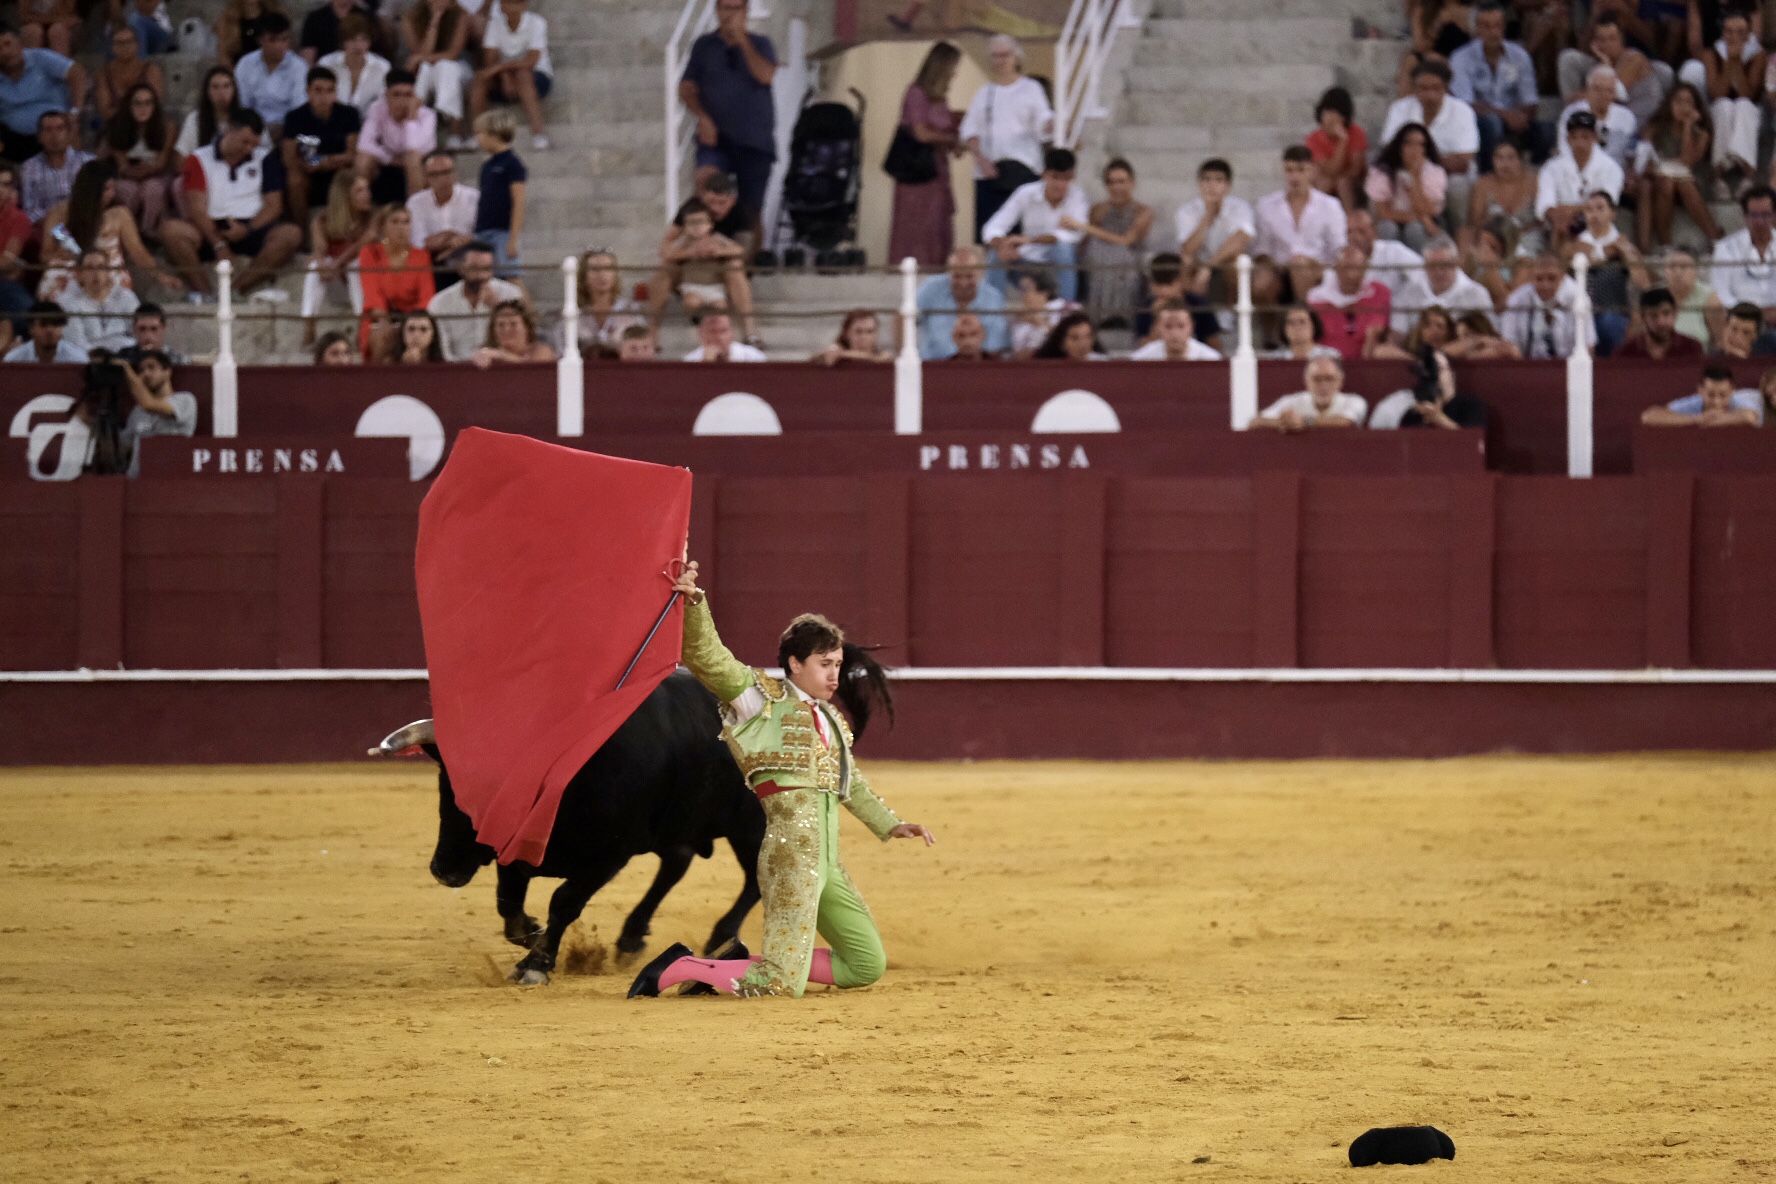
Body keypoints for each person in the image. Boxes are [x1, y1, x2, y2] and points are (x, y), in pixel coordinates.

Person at [627, 559, 935, 1000]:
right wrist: (695, 604)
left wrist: (890, 823)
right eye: (824, 663)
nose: (834, 674)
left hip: (827, 862)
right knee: (780, 984)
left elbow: (853, 784)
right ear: (794, 663)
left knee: (866, 962)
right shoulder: (760, 703)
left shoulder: (830, 718)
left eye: (838, 664)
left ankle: (732, 964)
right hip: (790, 858)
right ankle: (678, 968)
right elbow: (709, 658)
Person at [161, 110, 303, 300]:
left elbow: (274, 205)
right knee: (171, 231)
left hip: (252, 227)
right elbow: (196, 207)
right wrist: (218, 244)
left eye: (254, 144)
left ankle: (236, 290)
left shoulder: (265, 158)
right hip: (211, 227)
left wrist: (247, 229)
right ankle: (205, 293)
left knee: (291, 234)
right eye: (245, 142)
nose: (249, 149)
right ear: (229, 130)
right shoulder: (199, 158)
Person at [679, 0, 776, 235]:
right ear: (717, 11)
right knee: (706, 189)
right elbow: (686, 88)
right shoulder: (704, 46)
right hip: (716, 138)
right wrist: (702, 117)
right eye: (725, 8)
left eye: (735, 8)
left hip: (754, 139)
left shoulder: (761, 44)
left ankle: (746, 266)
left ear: (745, 11)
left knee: (751, 210)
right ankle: (703, 251)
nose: (729, 14)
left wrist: (742, 39)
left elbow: (766, 76)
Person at [958, 33, 1052, 238]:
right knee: (992, 236)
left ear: (1016, 57)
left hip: (1024, 171)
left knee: (1024, 236)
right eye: (995, 56)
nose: (1000, 61)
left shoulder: (1031, 89)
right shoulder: (984, 93)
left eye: (1005, 55)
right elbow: (969, 130)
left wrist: (1054, 125)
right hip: (990, 173)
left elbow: (1044, 124)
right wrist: (981, 159)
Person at [1251, 145, 1348, 320]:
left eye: (1301, 170)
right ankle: (1270, 336)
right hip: (1280, 268)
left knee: (1300, 266)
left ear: (1312, 171)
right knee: (1261, 281)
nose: (1294, 176)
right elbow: (1262, 249)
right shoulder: (1266, 205)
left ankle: (1307, 324)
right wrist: (1274, 266)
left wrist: (1312, 264)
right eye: (1289, 170)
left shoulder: (1330, 206)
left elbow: (1338, 249)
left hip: (1317, 268)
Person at [887, 41, 960, 268]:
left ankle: (937, 269)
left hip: (938, 169)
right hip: (917, 171)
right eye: (953, 67)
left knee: (937, 224)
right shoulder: (916, 93)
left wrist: (952, 143)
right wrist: (951, 139)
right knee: (916, 225)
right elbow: (921, 133)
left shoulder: (940, 99)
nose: (955, 73)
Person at [1381, 60, 1479, 229]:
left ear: (1446, 87)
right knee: (1381, 173)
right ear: (1414, 88)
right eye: (1423, 88)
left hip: (1450, 175)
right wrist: (1421, 166)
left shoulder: (1463, 111)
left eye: (1436, 88)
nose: (1429, 95)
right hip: (1405, 173)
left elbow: (1463, 161)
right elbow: (1388, 151)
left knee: (1458, 185)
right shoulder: (1399, 109)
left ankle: (1458, 232)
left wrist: (1420, 163)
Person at [982, 147, 1088, 302]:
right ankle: (993, 312)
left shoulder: (1078, 197)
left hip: (1055, 266)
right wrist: (1001, 244)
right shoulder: (1025, 193)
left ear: (1073, 177)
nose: (1060, 184)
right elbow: (994, 226)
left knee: (1063, 249)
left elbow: (1073, 236)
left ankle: (1065, 311)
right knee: (996, 254)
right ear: (1044, 174)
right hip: (1025, 261)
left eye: (1066, 179)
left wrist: (1029, 240)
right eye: (1055, 177)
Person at [1449, 1, 1544, 170]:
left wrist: (1521, 116)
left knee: (1547, 131)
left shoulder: (1519, 56)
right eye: (1486, 26)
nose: (1493, 32)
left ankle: (1533, 180)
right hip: (1478, 124)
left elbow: (1530, 100)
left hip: (1513, 121)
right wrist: (1505, 115)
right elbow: (1465, 104)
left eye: (1497, 26)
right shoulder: (1460, 58)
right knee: (1492, 123)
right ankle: (1488, 174)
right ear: (1476, 29)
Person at [646, 197, 756, 340]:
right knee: (687, 298)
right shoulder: (684, 242)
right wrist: (690, 252)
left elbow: (739, 250)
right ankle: (653, 332)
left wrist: (717, 251)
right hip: (692, 286)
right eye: (692, 224)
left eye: (701, 223)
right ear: (684, 227)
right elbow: (666, 253)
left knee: (730, 278)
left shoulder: (717, 238)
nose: (697, 227)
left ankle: (749, 332)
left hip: (715, 285)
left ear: (710, 225)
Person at [281, 65, 361, 236]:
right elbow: (289, 157)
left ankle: (350, 230)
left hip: (338, 169)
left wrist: (322, 162)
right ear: (308, 91)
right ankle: (302, 233)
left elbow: (352, 154)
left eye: (329, 90)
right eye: (318, 90)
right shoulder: (294, 117)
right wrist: (310, 164)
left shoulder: (349, 114)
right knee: (294, 179)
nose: (324, 96)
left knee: (355, 172)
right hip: (307, 172)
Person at [1636, 82, 1718, 247]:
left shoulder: (1701, 134)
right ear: (1670, 103)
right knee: (1667, 182)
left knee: (1683, 182)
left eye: (1689, 103)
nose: (1683, 107)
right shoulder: (1655, 128)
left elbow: (1688, 161)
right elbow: (1644, 156)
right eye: (1679, 101)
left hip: (1691, 181)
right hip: (1660, 180)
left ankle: (1714, 237)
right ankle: (1666, 243)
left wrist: (1688, 127)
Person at [1567, 188, 1649, 352]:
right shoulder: (1574, 245)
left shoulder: (1625, 246)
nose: (1594, 214)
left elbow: (1643, 284)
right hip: (1579, 314)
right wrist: (1609, 251)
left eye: (1600, 208)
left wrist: (1626, 253)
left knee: (1610, 322)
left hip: (1613, 313)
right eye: (1589, 209)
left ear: (1612, 213)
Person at [1078, 158, 1153, 329]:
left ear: (1132, 183)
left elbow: (1127, 240)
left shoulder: (1143, 211)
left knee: (1120, 258)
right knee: (1102, 254)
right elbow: (1089, 241)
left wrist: (1086, 227)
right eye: (1111, 182)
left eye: (1121, 182)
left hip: (1131, 254)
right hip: (1100, 256)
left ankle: (1120, 317)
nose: (1116, 187)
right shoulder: (1098, 209)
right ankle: (1104, 317)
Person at [0, 24, 87, 167]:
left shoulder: (40, 58)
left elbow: (77, 73)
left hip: (52, 127)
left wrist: (75, 112)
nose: (5, 52)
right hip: (13, 137)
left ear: (20, 43)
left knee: (65, 130)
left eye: (8, 44)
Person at [1534, 111, 1624, 250]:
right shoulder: (1551, 168)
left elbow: (1607, 203)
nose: (1580, 143)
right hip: (1560, 229)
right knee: (1560, 225)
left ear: (1594, 137)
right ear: (1568, 139)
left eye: (1585, 137)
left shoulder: (1612, 168)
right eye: (1575, 137)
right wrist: (1561, 217)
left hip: (1597, 228)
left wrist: (1572, 210)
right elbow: (1545, 206)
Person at [300, 170, 375, 337]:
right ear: (344, 195)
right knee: (314, 266)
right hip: (335, 282)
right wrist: (322, 264)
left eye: (367, 189)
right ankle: (309, 327)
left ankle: (363, 327)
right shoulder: (322, 220)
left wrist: (338, 263)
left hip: (364, 287)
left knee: (356, 263)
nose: (367, 195)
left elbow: (360, 247)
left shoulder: (372, 219)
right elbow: (319, 250)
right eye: (359, 191)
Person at [471, 0, 552, 150]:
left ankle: (538, 133)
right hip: (503, 77)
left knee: (523, 75)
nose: (512, 8)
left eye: (516, 3)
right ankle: (479, 134)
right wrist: (505, 75)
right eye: (507, 3)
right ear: (501, 5)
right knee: (480, 79)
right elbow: (489, 59)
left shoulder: (537, 23)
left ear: (524, 5)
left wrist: (502, 67)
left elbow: (531, 60)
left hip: (536, 78)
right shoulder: (495, 24)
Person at [97, 84, 176, 236]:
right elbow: (122, 167)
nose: (143, 108)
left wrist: (144, 170)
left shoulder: (167, 127)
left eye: (148, 103)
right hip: (126, 177)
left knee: (152, 188)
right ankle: (127, 232)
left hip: (157, 176)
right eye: (138, 103)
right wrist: (142, 170)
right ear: (129, 106)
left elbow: (161, 163)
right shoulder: (117, 127)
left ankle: (147, 230)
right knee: (130, 190)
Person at [357, 202, 433, 358]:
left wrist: (407, 324)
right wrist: (384, 321)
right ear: (383, 226)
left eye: (406, 222)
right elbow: (372, 292)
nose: (401, 227)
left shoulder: (421, 256)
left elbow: (427, 295)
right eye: (395, 222)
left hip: (412, 318)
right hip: (379, 317)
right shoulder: (370, 253)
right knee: (381, 337)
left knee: (417, 335)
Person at [426, 239, 521, 360]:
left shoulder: (510, 294)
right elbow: (442, 351)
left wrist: (498, 308)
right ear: (461, 268)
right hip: (456, 371)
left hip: (500, 366)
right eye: (474, 268)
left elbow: (522, 341)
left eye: (486, 269)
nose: (481, 275)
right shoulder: (440, 303)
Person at [1701, 8, 1763, 189]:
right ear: (1723, 33)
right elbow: (1716, 92)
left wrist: (1737, 62)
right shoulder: (1711, 53)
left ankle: (1747, 171)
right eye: (1729, 31)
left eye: (1740, 32)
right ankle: (1719, 169)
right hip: (1719, 106)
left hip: (1749, 109)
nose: (1734, 36)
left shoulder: (1757, 55)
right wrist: (1729, 62)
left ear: (1748, 34)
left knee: (1743, 105)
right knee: (1724, 105)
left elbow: (1748, 93)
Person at [1389, 235, 1494, 339]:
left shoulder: (1476, 294)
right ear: (1425, 266)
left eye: (1444, 265)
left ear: (1456, 263)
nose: (1439, 272)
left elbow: (1489, 337)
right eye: (1433, 266)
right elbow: (1397, 333)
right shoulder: (1409, 291)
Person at [355, 67, 435, 205]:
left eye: (408, 95)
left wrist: (410, 118)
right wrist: (389, 158)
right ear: (386, 95)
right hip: (389, 158)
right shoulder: (377, 108)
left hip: (420, 162)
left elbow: (413, 147)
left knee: (412, 158)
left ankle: (414, 214)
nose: (402, 100)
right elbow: (363, 144)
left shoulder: (427, 115)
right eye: (397, 95)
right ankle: (362, 210)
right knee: (363, 159)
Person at [915, 244, 1009, 359]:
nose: (963, 283)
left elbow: (995, 348)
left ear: (980, 273)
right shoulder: (930, 288)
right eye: (957, 276)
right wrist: (901, 354)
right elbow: (902, 317)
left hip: (978, 368)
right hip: (933, 366)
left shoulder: (993, 298)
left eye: (969, 276)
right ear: (948, 273)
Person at [1367, 122, 1449, 251]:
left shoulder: (1434, 172)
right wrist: (1417, 217)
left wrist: (1415, 178)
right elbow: (1382, 212)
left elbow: (1430, 210)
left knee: (1414, 229)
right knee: (1387, 228)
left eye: (1420, 145)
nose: (1414, 149)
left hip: (1425, 223)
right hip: (1392, 219)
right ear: (1399, 146)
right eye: (1409, 143)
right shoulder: (1383, 171)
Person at [1711, 186, 1776, 340]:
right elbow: (1721, 293)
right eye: (1754, 215)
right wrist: (1752, 315)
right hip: (1740, 321)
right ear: (1744, 216)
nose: (1760, 222)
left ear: (1774, 215)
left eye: (1765, 215)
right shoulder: (1725, 248)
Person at [116, 350, 195, 475]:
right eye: (141, 370)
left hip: (167, 480)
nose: (146, 373)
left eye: (151, 367)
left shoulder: (185, 400)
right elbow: (123, 447)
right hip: (137, 482)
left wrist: (126, 369)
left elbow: (150, 405)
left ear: (167, 371)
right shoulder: (137, 411)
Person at [1308, 245, 1393, 360]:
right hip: (1326, 361)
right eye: (1347, 267)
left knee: (1383, 351)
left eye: (1356, 266)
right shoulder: (1316, 298)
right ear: (1336, 268)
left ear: (1366, 268)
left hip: (1369, 360)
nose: (1351, 272)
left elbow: (1378, 329)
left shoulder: (1379, 292)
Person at [403, 0, 470, 146]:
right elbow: (421, 53)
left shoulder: (461, 15)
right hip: (425, 69)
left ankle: (454, 131)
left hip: (457, 67)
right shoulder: (411, 17)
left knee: (446, 67)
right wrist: (434, 21)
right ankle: (424, 128)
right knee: (427, 69)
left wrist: (422, 58)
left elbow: (453, 53)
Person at [1499, 252, 1590, 358]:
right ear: (1531, 277)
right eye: (1539, 279)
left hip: (1569, 366)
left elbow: (1588, 345)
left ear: (1562, 276)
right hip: (1528, 366)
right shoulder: (1517, 300)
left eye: (1551, 278)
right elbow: (1507, 343)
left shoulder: (1578, 299)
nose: (1545, 285)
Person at [1459, 139, 1539, 257]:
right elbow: (1474, 222)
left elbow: (1542, 220)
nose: (1504, 164)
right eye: (1499, 158)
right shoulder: (1483, 184)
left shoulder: (1534, 182)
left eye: (1511, 158)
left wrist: (1516, 233)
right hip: (1492, 240)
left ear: (1520, 159)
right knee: (1465, 234)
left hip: (1527, 238)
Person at [406, 149, 476, 280]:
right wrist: (451, 237)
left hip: (468, 261)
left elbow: (479, 237)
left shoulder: (474, 198)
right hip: (431, 263)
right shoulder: (415, 202)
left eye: (446, 172)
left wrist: (445, 244)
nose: (441, 179)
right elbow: (418, 243)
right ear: (426, 177)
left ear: (455, 173)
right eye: (434, 174)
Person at [470, 107, 523, 280]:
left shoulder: (512, 164)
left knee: (511, 277)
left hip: (502, 231)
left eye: (480, 133)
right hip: (483, 229)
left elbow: (518, 202)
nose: (478, 139)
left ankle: (528, 308)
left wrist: (512, 239)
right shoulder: (487, 166)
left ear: (494, 134)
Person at [1555, 65, 1639, 173]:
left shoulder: (1627, 118)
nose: (1603, 95)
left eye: (1609, 90)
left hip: (1617, 175)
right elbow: (1564, 152)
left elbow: (1632, 154)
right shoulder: (1571, 114)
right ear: (1588, 90)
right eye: (1597, 89)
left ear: (1614, 94)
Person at [1248, 355, 1367, 430]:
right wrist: (1283, 423)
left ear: (1340, 381)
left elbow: (1345, 422)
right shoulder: (1292, 401)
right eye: (1317, 379)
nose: (1323, 385)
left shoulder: (1354, 401)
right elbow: (1255, 422)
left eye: (1329, 379)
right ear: (1306, 381)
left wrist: (1304, 422)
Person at [234, 12, 306, 134]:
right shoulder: (246, 64)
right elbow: (242, 104)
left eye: (284, 39)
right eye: (273, 40)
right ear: (260, 40)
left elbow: (299, 108)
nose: (279, 46)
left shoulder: (298, 67)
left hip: (287, 131)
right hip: (252, 130)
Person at [561, 247, 642, 357]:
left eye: (608, 269)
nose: (602, 274)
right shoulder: (574, 312)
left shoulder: (630, 310)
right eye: (595, 269)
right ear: (584, 276)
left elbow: (642, 346)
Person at [58, 247, 138, 354]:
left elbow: (138, 334)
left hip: (125, 356)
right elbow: (75, 342)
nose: (96, 273)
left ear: (109, 271)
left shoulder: (126, 297)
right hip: (87, 360)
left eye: (101, 267)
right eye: (90, 268)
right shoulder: (67, 302)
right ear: (79, 274)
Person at [20, 109, 92, 225]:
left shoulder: (88, 162)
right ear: (39, 137)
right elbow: (30, 211)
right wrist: (56, 219)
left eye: (60, 129)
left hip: (85, 223)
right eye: (48, 130)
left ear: (69, 134)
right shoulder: (29, 167)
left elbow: (97, 200)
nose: (54, 136)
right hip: (49, 227)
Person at [1641, 363, 1762, 425]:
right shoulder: (1694, 402)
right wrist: (1696, 419)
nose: (1716, 401)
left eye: (1723, 395)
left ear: (1732, 391)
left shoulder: (1740, 400)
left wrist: (1712, 420)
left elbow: (1749, 417)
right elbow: (1649, 416)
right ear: (1700, 390)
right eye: (1711, 395)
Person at [1306, 86, 1368, 208]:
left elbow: (1356, 170)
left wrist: (1343, 140)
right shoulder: (1313, 139)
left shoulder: (1357, 133)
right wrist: (1342, 143)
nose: (1330, 119)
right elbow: (1329, 170)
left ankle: (1350, 221)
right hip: (1327, 181)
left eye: (1336, 113)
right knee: (1322, 182)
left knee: (1343, 183)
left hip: (1353, 185)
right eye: (1327, 112)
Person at [94, 23, 165, 127]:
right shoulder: (104, 74)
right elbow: (105, 110)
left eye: (129, 42)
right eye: (120, 43)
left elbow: (155, 105)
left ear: (137, 44)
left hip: (147, 125)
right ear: (113, 47)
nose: (125, 46)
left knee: (169, 127)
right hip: (117, 126)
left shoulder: (151, 70)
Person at [1399, 346, 1488, 429]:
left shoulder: (1471, 406)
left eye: (1438, 368)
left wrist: (1440, 420)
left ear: (1452, 374)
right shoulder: (1414, 414)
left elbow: (1473, 440)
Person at [317, 14, 389, 111]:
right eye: (352, 40)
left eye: (364, 39)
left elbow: (384, 104)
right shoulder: (326, 64)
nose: (358, 46)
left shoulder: (382, 67)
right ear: (343, 41)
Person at [1616, 286, 1705, 359]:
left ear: (1675, 313)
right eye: (1653, 315)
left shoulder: (1692, 348)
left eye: (1666, 313)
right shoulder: (1626, 352)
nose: (1661, 322)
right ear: (1643, 318)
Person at [176, 66, 246, 157]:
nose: (221, 92)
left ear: (234, 89)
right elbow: (182, 155)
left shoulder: (247, 117)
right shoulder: (195, 119)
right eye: (215, 87)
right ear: (207, 92)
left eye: (226, 86)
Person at [1662, 246, 1723, 347]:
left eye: (1684, 267)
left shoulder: (1710, 299)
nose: (1678, 273)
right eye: (1672, 266)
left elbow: (1721, 341)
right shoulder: (1653, 296)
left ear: (1696, 270)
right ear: (1664, 271)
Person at [470, 296, 553, 366]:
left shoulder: (540, 351)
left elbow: (534, 371)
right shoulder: (486, 353)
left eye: (513, 324)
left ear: (527, 328)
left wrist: (500, 355)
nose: (506, 329)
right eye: (501, 325)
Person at [1129, 301, 1222, 360]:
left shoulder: (1210, 359)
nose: (1175, 333)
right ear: (1158, 328)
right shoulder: (1142, 360)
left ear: (1191, 327)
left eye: (1181, 326)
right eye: (1168, 326)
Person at [3, 299, 86, 362]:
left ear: (62, 328)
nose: (49, 330)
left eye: (55, 324)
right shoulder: (13, 360)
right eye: (43, 324)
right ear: (31, 328)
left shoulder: (78, 359)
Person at [0, 161, 26, 353]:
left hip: (4, 284)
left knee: (27, 310)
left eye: (7, 184)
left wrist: (11, 267)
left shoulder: (19, 219)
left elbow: (7, 260)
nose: (1, 190)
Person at [216, 0, 289, 67]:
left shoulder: (276, 15)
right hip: (239, 73)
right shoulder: (228, 19)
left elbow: (286, 50)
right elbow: (224, 56)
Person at [1261, 305, 1342, 361]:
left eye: (1302, 322)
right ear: (1284, 329)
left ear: (1314, 326)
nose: (1297, 327)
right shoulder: (1274, 359)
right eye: (1291, 322)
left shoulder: (1331, 356)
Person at [813, 309, 891, 365]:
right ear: (847, 333)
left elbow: (877, 359)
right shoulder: (837, 354)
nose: (864, 337)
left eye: (869, 332)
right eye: (858, 332)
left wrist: (841, 354)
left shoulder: (884, 357)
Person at [682, 309, 764, 362]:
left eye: (723, 331)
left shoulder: (753, 357)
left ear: (732, 333)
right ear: (701, 334)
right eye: (712, 331)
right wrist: (705, 365)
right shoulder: (690, 361)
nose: (719, 337)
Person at [121, 301, 185, 364]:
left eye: (154, 329)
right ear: (134, 329)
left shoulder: (177, 361)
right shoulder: (124, 359)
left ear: (163, 329)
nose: (148, 336)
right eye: (142, 329)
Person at [16, 0, 80, 58]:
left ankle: (60, 68)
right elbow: (24, 16)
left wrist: (44, 19)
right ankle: (32, 68)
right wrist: (50, 19)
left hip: (61, 25)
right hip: (33, 23)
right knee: (32, 31)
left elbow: (68, 14)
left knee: (57, 31)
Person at [1031, 310, 1103, 360]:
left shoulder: (1103, 365)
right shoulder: (1046, 367)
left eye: (1088, 337)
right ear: (1061, 343)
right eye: (1075, 338)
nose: (1083, 343)